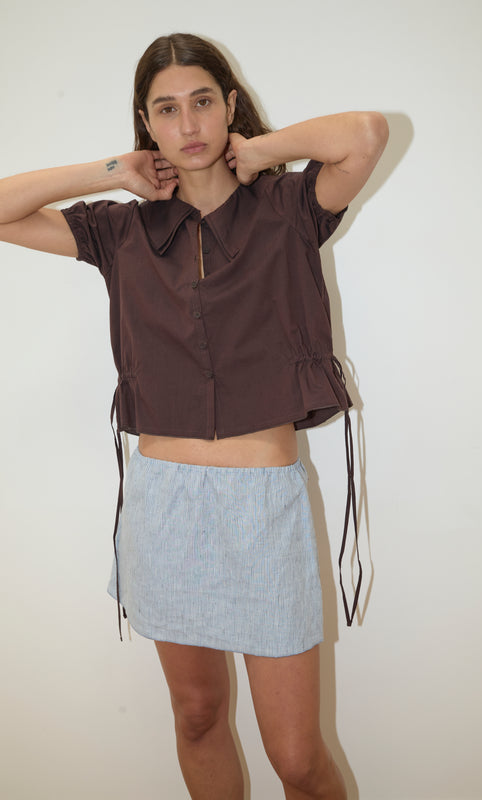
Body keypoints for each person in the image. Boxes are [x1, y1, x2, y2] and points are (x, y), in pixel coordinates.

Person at [0, 32, 388, 800]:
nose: (188, 124)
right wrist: (108, 171)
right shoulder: (119, 231)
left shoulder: (288, 208)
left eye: (202, 101)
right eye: (166, 110)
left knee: (297, 758)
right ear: (147, 124)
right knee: (198, 716)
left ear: (229, 105)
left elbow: (365, 134)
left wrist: (259, 150)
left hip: (262, 508)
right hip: (163, 505)